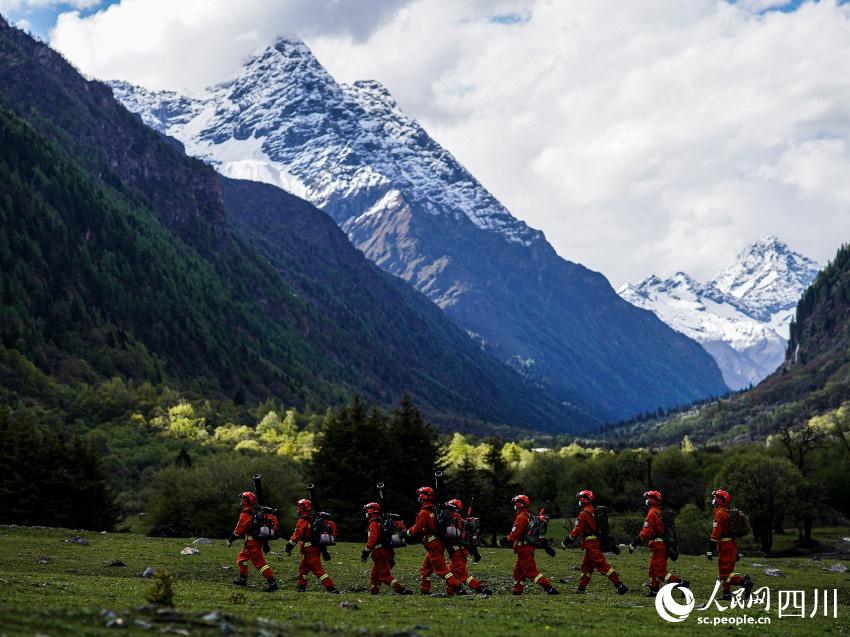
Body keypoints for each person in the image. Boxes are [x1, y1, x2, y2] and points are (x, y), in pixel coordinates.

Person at [561, 489, 628, 595]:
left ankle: (619, 585)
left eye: (579, 498)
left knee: (601, 565)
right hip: (592, 543)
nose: (578, 501)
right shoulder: (593, 510)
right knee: (586, 567)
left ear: (583, 500)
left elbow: (577, 530)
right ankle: (581, 588)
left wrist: (566, 541)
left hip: (591, 543)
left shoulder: (583, 513)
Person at [628, 490, 688, 596]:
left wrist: (634, 543)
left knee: (660, 572)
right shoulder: (657, 512)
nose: (646, 500)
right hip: (658, 544)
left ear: (651, 500)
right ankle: (654, 590)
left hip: (658, 545)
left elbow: (646, 531)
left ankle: (682, 584)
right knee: (652, 570)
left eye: (648, 498)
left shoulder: (652, 513)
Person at [406, 486, 463, 596]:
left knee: (441, 570)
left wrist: (405, 533)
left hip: (433, 544)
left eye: (420, 495)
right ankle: (425, 590)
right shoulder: (435, 509)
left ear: (423, 497)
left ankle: (458, 587)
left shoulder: (425, 512)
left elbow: (417, 528)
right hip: (436, 543)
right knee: (426, 569)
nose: (419, 497)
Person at [499, 494, 559, 595]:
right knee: (518, 572)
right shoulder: (528, 516)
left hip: (524, 549)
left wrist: (504, 540)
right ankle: (517, 591)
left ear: (519, 504)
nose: (514, 505)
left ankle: (549, 588)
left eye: (515, 503)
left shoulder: (521, 517)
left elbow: (515, 534)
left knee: (531, 572)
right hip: (525, 548)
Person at [284, 498, 339, 593]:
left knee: (318, 571)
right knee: (302, 569)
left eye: (298, 507)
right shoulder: (313, 519)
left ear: (301, 508)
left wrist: (289, 545)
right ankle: (301, 588)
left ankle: (331, 588)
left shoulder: (303, 521)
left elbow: (297, 535)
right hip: (313, 549)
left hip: (310, 550)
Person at [707, 489, 754, 600]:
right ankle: (726, 594)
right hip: (730, 545)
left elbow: (715, 534)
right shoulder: (725, 512)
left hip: (725, 546)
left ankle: (745, 583)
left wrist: (710, 550)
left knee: (724, 573)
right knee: (727, 572)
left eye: (715, 498)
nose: (713, 500)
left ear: (718, 501)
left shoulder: (720, 514)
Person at [227, 491, 278, 592]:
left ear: (246, 501)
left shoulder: (245, 515)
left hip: (252, 545)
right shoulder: (254, 513)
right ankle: (243, 579)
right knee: (241, 559)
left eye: (243, 499)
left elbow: (238, 530)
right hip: (250, 544)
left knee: (260, 565)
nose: (241, 500)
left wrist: (230, 539)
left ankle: (272, 583)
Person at [360, 501, 413, 595]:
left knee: (384, 575)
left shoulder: (374, 523)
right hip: (386, 551)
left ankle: (400, 589)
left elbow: (372, 540)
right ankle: (374, 590)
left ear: (370, 511)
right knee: (375, 574)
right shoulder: (382, 521)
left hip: (379, 551)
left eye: (367, 511)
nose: (366, 513)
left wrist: (365, 552)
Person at [444, 499, 493, 595]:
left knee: (462, 576)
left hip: (458, 552)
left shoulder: (454, 519)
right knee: (450, 574)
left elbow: (453, 537)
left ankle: (480, 589)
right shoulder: (460, 520)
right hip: (460, 551)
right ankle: (450, 593)